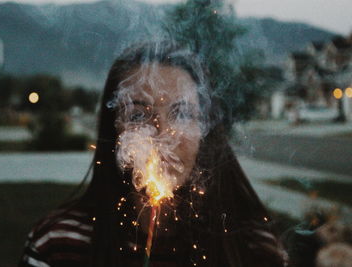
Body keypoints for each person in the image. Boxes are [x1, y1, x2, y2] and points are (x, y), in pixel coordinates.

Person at [19, 41, 286, 267]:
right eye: (137, 114)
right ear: (114, 132)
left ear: (204, 131)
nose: (162, 134)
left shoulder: (255, 251)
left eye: (181, 113)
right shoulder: (59, 244)